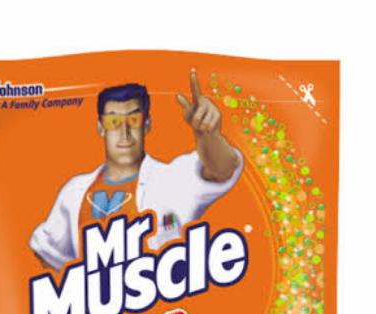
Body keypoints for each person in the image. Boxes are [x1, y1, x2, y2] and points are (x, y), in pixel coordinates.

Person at [30, 69, 244, 270]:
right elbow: (47, 252)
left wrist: (208, 135)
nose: (124, 133)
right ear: (100, 127)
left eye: (133, 120)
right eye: (113, 121)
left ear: (147, 124)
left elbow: (222, 169)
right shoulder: (74, 191)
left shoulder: (172, 179)